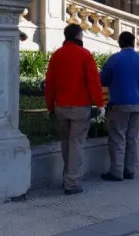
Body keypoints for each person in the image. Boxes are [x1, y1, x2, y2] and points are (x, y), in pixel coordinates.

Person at [44, 23, 105, 195]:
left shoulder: (57, 55)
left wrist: (50, 106)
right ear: (78, 37)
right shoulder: (85, 55)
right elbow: (93, 82)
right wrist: (99, 104)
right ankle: (72, 182)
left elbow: (50, 83)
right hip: (80, 107)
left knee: (66, 143)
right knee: (76, 144)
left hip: (61, 107)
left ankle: (67, 177)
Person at [100, 31, 139, 181]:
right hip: (138, 103)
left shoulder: (115, 59)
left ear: (120, 43)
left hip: (120, 102)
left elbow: (103, 79)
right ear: (133, 43)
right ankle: (130, 170)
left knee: (118, 137)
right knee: (132, 138)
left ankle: (116, 171)